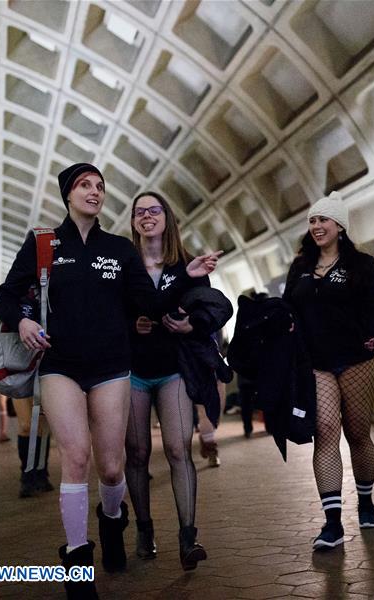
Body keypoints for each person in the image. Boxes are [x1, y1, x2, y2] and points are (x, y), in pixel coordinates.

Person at [0, 164, 219, 599]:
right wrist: (21, 320)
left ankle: (113, 521)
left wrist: (186, 280)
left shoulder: (119, 249)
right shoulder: (44, 243)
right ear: (68, 194)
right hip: (59, 364)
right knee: (76, 457)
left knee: (111, 466)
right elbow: (7, 293)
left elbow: (151, 303)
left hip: (113, 367)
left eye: (99, 186)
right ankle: (78, 566)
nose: (94, 192)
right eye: (84, 186)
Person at [283, 192, 374, 551]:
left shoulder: (361, 265)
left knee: (358, 433)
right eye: (312, 220)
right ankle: (332, 524)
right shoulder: (299, 268)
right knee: (325, 431)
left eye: (323, 220)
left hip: (356, 358)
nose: (316, 226)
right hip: (315, 362)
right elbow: (287, 311)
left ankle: (366, 500)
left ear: (339, 226)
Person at [126, 191, 221, 570]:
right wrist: (131, 324)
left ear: (167, 217)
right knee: (137, 454)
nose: (147, 216)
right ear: (134, 221)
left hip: (173, 369)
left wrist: (189, 324)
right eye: (139, 212)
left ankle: (187, 537)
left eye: (154, 210)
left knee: (178, 448)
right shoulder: (124, 265)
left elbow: (209, 309)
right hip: (133, 371)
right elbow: (110, 313)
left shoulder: (187, 264)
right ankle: (144, 529)